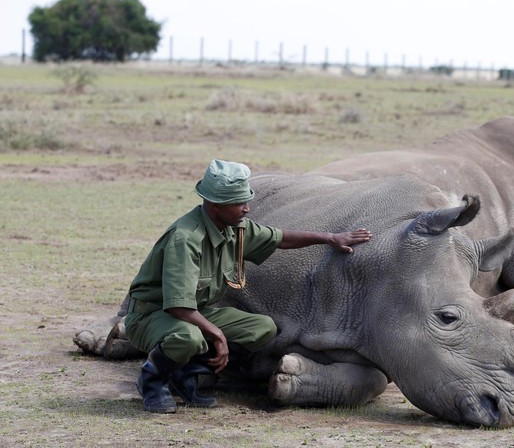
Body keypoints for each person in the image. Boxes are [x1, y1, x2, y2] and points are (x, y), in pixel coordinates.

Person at [124, 159, 372, 413]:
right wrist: (218, 335)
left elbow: (281, 239)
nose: (247, 208)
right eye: (239, 203)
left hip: (195, 312)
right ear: (216, 205)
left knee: (262, 328)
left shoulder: (234, 229)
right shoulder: (186, 239)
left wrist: (330, 238)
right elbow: (178, 306)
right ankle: (152, 382)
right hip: (152, 314)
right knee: (188, 336)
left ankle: (186, 374)